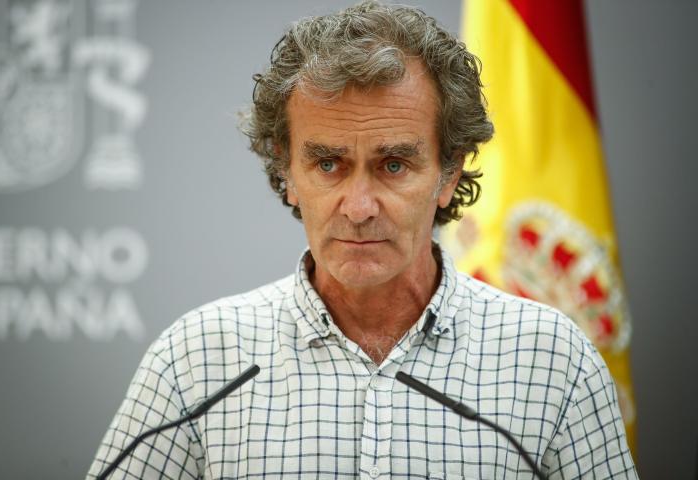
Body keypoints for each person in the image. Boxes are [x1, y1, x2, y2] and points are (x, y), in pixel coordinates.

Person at [87, 2, 637, 478]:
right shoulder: (197, 360)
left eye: (393, 164)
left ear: (449, 172)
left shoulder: (552, 359)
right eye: (328, 164)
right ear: (286, 170)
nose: (358, 207)